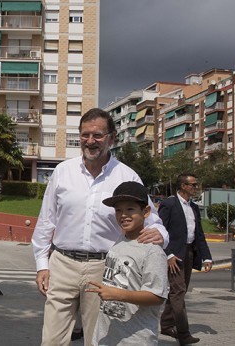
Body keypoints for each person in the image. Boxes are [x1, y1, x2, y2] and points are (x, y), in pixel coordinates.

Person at [31, 108, 169, 346]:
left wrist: (160, 235)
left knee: (98, 339)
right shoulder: (63, 172)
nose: (90, 141)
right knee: (52, 340)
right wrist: (42, 265)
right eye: (85, 135)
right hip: (62, 264)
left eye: (97, 135)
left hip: (104, 269)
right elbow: (46, 221)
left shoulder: (127, 176)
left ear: (112, 138)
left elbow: (153, 220)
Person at [87, 181, 169, 345]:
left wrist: (117, 295)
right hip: (107, 336)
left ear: (146, 211)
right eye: (118, 210)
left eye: (130, 209)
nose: (123, 215)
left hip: (135, 338)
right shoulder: (119, 241)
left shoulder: (152, 251)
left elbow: (157, 296)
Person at [159, 173, 212, 345]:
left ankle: (166, 324)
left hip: (189, 253)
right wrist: (169, 254)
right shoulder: (169, 204)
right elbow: (160, 232)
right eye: (193, 185)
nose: (196, 188)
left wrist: (207, 257)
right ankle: (183, 333)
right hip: (174, 256)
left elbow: (199, 235)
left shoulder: (194, 207)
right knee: (178, 292)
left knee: (178, 292)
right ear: (183, 186)